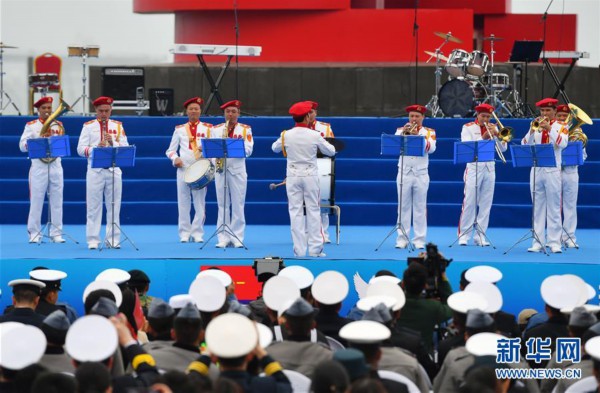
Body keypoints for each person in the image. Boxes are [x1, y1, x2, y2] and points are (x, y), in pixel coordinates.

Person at [272, 101, 336, 257]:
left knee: (295, 213)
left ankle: (299, 250)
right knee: (314, 211)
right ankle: (315, 249)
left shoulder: (286, 134)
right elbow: (332, 151)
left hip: (293, 177)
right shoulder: (315, 135)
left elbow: (274, 148)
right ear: (308, 116)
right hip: (310, 177)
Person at [77, 96, 130, 250]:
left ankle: (113, 239)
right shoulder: (88, 126)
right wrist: (95, 148)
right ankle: (93, 239)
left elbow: (126, 147)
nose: (104, 114)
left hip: (114, 170)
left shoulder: (118, 126)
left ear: (111, 110)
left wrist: (113, 142)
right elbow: (80, 149)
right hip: (95, 170)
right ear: (96, 111)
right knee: (93, 206)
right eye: (101, 111)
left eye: (107, 111)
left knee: (114, 206)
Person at [520, 98, 568, 253]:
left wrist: (550, 128)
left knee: (554, 207)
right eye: (542, 111)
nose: (545, 114)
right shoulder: (536, 125)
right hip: (536, 169)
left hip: (553, 170)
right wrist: (532, 131)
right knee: (538, 207)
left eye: (548, 111)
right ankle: (537, 241)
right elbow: (524, 144)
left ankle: (554, 242)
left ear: (554, 111)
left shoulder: (561, 126)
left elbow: (562, 143)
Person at [457, 104, 506, 246]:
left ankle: (480, 236)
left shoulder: (494, 128)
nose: (485, 119)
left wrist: (497, 135)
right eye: (483, 116)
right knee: (470, 202)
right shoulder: (468, 127)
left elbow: (503, 148)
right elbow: (467, 147)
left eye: (488, 116)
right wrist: (483, 138)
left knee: (486, 204)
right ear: (477, 115)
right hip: (473, 168)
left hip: (490, 168)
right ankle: (463, 236)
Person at [18, 96, 66, 243]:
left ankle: (56, 233)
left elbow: (62, 145)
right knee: (36, 200)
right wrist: (40, 140)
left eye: (49, 108)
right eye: (44, 108)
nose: (47, 111)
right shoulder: (31, 125)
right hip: (39, 166)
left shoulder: (58, 124)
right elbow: (22, 146)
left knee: (57, 200)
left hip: (55, 165)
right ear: (38, 110)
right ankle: (34, 233)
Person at [165, 97, 212, 243]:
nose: (194, 111)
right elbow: (170, 150)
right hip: (183, 169)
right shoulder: (179, 129)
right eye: (191, 109)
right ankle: (184, 233)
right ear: (187, 111)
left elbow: (212, 148)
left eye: (196, 109)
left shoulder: (208, 128)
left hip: (200, 169)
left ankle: (198, 232)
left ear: (200, 111)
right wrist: (175, 159)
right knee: (183, 202)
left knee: (200, 202)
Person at [210, 100, 254, 248]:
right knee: (222, 204)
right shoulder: (216, 129)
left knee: (238, 204)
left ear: (238, 113)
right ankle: (223, 237)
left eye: (234, 111)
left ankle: (237, 236)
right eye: (228, 111)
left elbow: (249, 150)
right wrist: (214, 160)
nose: (231, 114)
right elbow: (209, 149)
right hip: (221, 170)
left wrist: (233, 147)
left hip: (237, 171)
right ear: (224, 113)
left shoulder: (245, 129)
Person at [394, 104, 437, 249]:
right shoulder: (400, 130)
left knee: (420, 208)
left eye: (417, 116)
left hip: (421, 174)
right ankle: (402, 239)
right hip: (404, 173)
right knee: (403, 207)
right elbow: (394, 147)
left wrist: (416, 136)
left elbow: (431, 148)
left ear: (423, 117)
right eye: (411, 116)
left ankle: (419, 240)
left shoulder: (429, 132)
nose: (414, 119)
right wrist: (404, 134)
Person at [556, 104, 585, 248]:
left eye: (564, 116)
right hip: (555, 172)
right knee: (555, 206)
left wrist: (577, 146)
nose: (562, 118)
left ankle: (569, 237)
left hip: (571, 172)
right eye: (559, 115)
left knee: (570, 205)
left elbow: (583, 157)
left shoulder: (577, 133)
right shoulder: (553, 130)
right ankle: (555, 237)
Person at [307, 101, 336, 244]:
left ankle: (324, 233)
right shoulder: (298, 128)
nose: (310, 115)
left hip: (322, 165)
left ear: (316, 113)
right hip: (306, 165)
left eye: (312, 112)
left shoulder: (325, 127)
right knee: (306, 202)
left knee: (323, 199)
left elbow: (332, 147)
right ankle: (308, 233)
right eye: (307, 112)